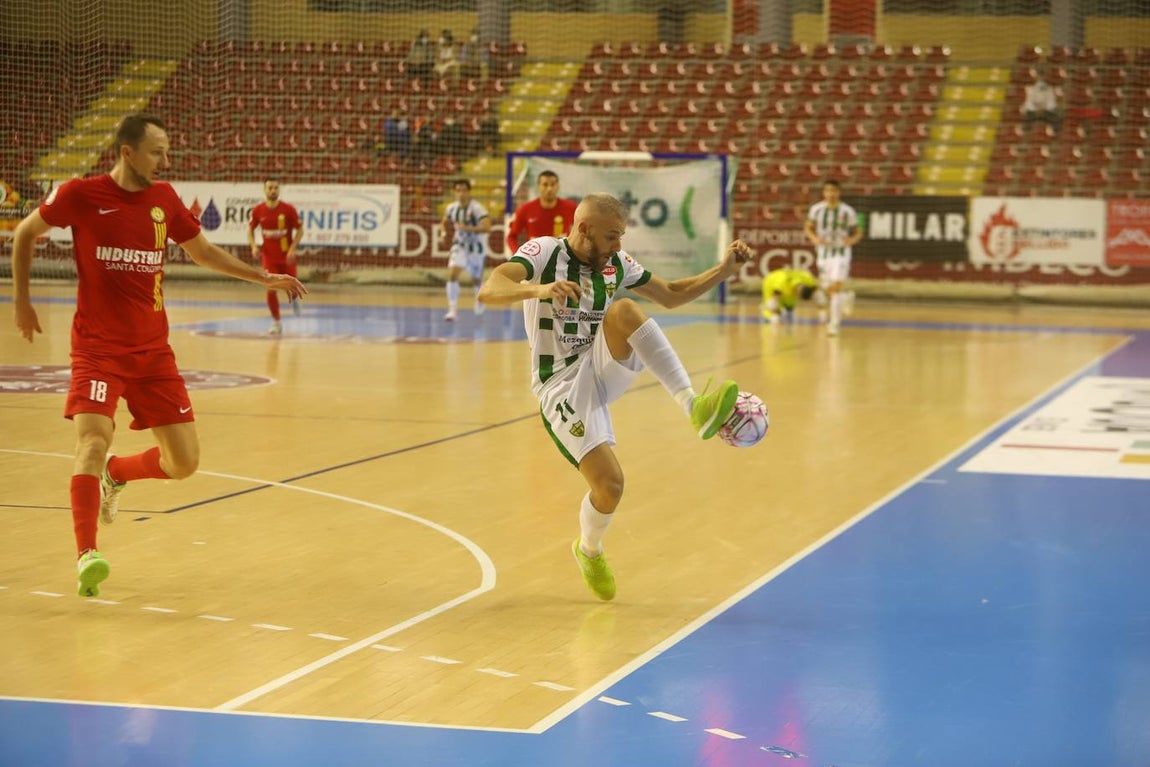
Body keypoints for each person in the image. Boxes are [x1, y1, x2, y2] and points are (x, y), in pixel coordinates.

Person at [10, 114, 306, 598]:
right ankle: (88, 553)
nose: (165, 160)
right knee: (91, 441)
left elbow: (205, 253)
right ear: (127, 153)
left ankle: (117, 473)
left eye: (166, 152)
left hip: (153, 353)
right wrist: (23, 301)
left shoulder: (164, 200)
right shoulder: (79, 195)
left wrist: (264, 278)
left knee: (184, 463)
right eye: (157, 152)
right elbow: (25, 234)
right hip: (98, 349)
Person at [477, 193, 752, 601]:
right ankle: (589, 550)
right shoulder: (544, 251)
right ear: (583, 229)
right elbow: (490, 289)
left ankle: (693, 406)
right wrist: (540, 290)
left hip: (600, 362)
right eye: (611, 236)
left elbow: (672, 293)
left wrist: (724, 270)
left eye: (621, 236)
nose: (618, 246)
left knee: (624, 310)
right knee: (611, 486)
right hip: (561, 384)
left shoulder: (615, 264)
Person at [803, 179, 861, 336]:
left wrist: (851, 240)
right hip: (823, 253)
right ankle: (846, 297)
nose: (830, 194)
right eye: (827, 190)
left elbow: (858, 231)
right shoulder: (816, 210)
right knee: (828, 290)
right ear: (823, 192)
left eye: (833, 191)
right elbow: (808, 228)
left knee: (834, 289)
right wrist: (814, 238)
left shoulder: (848, 211)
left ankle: (834, 324)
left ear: (839, 192)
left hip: (841, 253)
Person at [248, 178, 304, 335]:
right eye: (270, 187)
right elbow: (250, 230)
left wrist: (293, 248)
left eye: (276, 188)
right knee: (270, 288)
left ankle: (294, 300)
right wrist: (253, 246)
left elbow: (300, 229)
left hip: (287, 257)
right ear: (264, 190)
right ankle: (276, 322)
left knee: (292, 285)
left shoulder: (288, 210)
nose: (273, 190)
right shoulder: (258, 211)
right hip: (269, 257)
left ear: (279, 190)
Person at [439, 178, 492, 321]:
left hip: (476, 248)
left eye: (464, 190)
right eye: (458, 190)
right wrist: (443, 234)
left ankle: (480, 299)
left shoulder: (477, 208)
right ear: (454, 192)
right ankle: (452, 310)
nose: (461, 193)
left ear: (469, 192)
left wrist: (468, 228)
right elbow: (444, 222)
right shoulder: (451, 208)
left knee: (476, 279)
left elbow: (487, 227)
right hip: (460, 245)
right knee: (452, 274)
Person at [504, 170, 579, 255]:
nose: (549, 188)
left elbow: (581, 231)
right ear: (538, 187)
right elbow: (511, 236)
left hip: (562, 257)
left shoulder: (570, 207)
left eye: (552, 184)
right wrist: (518, 254)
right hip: (535, 258)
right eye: (545, 184)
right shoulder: (525, 209)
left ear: (558, 186)